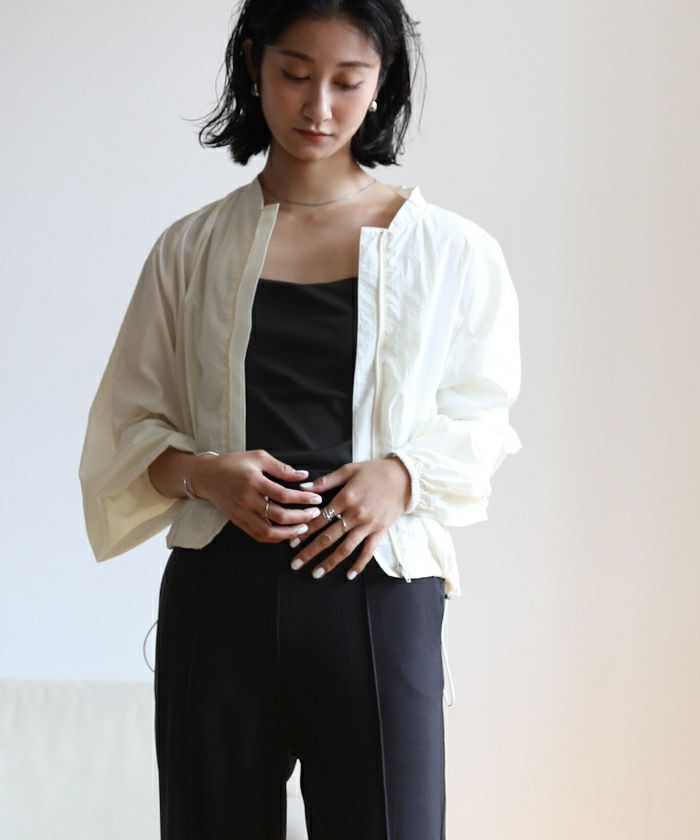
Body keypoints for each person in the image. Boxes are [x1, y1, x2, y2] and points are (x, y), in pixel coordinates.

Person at [78, 1, 522, 837]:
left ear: (381, 84)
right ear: (254, 64)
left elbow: (484, 414)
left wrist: (403, 476)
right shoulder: (189, 249)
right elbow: (128, 428)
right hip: (221, 596)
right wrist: (204, 474)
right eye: (295, 74)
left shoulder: (452, 252)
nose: (319, 107)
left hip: (377, 592)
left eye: (348, 81)